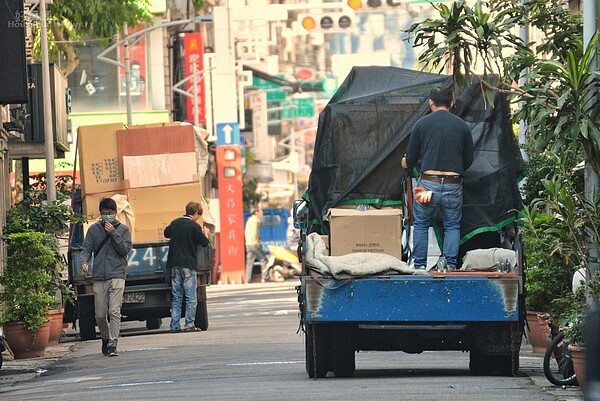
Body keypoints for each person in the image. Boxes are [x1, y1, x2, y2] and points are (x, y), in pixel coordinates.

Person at [402, 86, 474, 270]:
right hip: (453, 184)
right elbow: (468, 160)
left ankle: (419, 267)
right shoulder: (462, 126)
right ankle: (449, 265)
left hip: (428, 184)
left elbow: (411, 158)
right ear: (451, 103)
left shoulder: (421, 124)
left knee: (421, 224)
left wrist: (406, 164)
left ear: (431, 102)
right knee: (452, 225)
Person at [81, 198, 132, 357]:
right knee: (100, 314)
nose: (107, 216)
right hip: (99, 276)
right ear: (100, 214)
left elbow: (125, 249)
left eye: (110, 213)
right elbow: (87, 248)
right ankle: (105, 337)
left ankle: (113, 343)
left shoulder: (123, 229)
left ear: (115, 213)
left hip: (117, 274)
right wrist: (84, 261)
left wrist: (113, 233)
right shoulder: (93, 229)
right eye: (104, 214)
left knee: (115, 311)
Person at [164, 201, 211, 333]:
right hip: (188, 265)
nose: (198, 218)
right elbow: (204, 242)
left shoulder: (175, 223)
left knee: (177, 296)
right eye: (199, 215)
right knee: (190, 296)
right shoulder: (194, 226)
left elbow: (166, 233)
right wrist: (205, 233)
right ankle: (189, 324)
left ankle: (174, 326)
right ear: (195, 213)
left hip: (174, 264)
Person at [245, 208, 268, 283]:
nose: (262, 213)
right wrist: (258, 242)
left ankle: (247, 279)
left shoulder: (249, 220)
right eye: (261, 211)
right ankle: (265, 277)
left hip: (248, 244)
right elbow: (255, 233)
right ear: (256, 212)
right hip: (254, 243)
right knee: (263, 259)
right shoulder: (255, 220)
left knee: (249, 262)